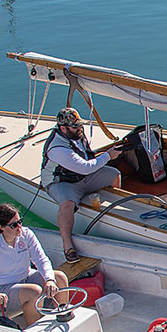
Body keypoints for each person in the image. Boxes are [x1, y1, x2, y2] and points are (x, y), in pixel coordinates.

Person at [0, 203, 70, 325]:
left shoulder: (26, 234)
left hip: (24, 279)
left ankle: (63, 316)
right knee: (34, 292)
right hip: (0, 290)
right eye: (14, 225)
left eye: (20, 221)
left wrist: (49, 280)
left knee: (59, 277)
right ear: (1, 227)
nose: (19, 227)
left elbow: (41, 259)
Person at [40, 107, 122, 263]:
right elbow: (84, 168)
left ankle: (114, 215)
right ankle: (67, 245)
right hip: (63, 182)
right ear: (63, 128)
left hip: (83, 176)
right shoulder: (57, 148)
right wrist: (108, 156)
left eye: (80, 125)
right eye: (75, 126)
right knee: (67, 204)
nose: (79, 129)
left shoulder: (76, 133)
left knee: (114, 175)